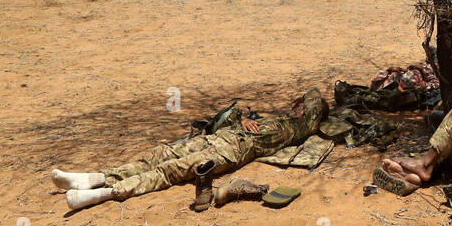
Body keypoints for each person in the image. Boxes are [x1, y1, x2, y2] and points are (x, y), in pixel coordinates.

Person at [51, 88, 328, 211]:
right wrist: (242, 119)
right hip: (217, 138)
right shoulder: (275, 119)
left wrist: (306, 97)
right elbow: (229, 117)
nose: (299, 108)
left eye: (303, 108)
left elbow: (316, 97)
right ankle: (94, 177)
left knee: (168, 171)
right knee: (158, 155)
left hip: (230, 152)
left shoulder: (300, 128)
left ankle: (104, 193)